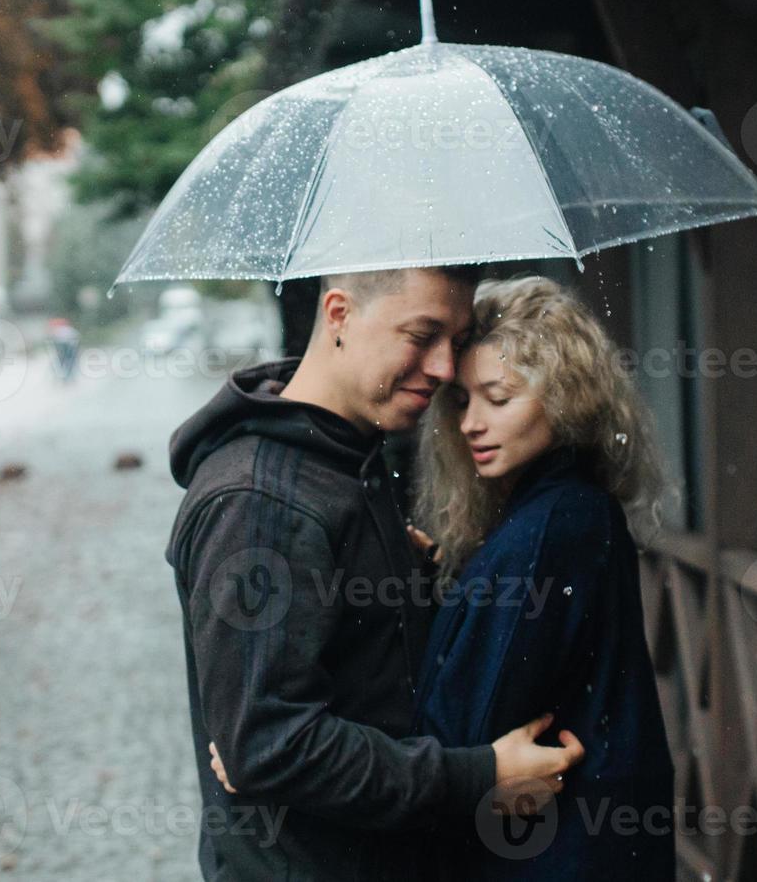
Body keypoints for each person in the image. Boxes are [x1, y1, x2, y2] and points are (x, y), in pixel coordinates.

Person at [166, 266, 585, 881]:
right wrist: (482, 775)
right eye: (422, 335)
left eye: (456, 340)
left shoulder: (342, 462)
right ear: (338, 314)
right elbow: (270, 746)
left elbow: (363, 679)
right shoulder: (263, 501)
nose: (444, 367)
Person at [406, 274, 676, 878]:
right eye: (462, 402)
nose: (472, 423)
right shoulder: (565, 511)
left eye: (499, 399)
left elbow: (467, 725)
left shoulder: (552, 528)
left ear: (564, 396)